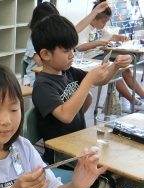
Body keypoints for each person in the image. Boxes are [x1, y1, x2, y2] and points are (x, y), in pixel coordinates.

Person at [31, 14, 131, 163]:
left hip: (77, 144)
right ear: (45, 54)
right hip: (61, 156)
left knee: (118, 158)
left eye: (73, 50)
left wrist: (115, 66)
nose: (72, 55)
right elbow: (66, 116)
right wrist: (88, 80)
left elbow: (101, 80)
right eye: (66, 51)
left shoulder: (69, 72)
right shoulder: (43, 85)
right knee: (109, 169)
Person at [76, 0, 144, 112]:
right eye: (103, 22)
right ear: (94, 18)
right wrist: (98, 42)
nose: (104, 25)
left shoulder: (99, 27)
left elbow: (110, 36)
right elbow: (79, 48)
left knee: (125, 69)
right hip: (89, 59)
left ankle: (139, 96)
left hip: (101, 55)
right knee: (117, 71)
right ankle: (133, 99)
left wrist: (120, 37)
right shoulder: (84, 29)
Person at [23, 1, 109, 88]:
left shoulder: (56, 35)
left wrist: (95, 12)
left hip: (57, 76)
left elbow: (78, 27)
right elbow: (41, 64)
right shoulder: (34, 39)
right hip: (39, 80)